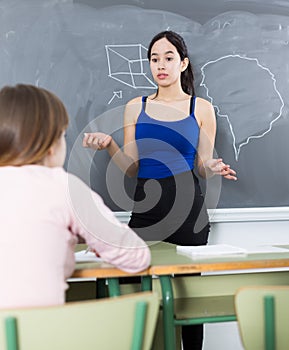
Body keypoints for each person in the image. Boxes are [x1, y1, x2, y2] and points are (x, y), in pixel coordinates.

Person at [83, 31, 237, 349]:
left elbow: (201, 164)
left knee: (187, 303)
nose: (160, 65)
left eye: (168, 58)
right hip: (146, 210)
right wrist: (110, 144)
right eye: (154, 59)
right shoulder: (135, 107)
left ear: (183, 64)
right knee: (131, 290)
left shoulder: (201, 108)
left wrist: (214, 167)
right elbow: (131, 167)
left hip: (189, 212)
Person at [0, 84, 151, 310]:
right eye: (63, 135)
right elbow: (137, 257)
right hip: (40, 335)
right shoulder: (64, 187)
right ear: (51, 145)